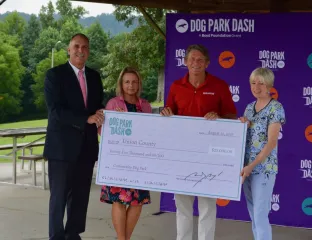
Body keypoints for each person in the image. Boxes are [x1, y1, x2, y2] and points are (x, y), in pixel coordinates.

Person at [160, 44, 237, 240]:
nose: (196, 63)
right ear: (185, 62)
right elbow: (168, 113)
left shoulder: (219, 86)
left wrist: (219, 117)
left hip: (209, 156)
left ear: (207, 63)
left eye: (200, 60)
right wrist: (165, 112)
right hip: (182, 155)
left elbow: (231, 116)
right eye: (192, 59)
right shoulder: (176, 86)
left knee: (207, 206)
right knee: (183, 207)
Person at [43, 33, 105, 240]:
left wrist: (105, 114)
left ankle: (73, 234)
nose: (81, 50)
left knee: (80, 197)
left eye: (85, 47)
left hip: (86, 148)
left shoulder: (95, 77)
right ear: (68, 50)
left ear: (88, 51)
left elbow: (98, 107)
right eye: (76, 46)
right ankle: (56, 235)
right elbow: (55, 112)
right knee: (59, 196)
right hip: (61, 148)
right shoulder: (54, 75)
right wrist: (85, 118)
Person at [99, 67, 152, 240]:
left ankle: (124, 238)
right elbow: (103, 133)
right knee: (119, 200)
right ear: (121, 84)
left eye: (134, 82)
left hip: (139, 162)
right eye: (127, 82)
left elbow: (151, 133)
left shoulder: (145, 106)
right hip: (118, 162)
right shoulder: (113, 104)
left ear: (139, 84)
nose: (131, 85)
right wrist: (117, 120)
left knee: (138, 203)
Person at [239, 67, 286, 240]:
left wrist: (251, 166)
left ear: (269, 86)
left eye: (261, 83)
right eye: (253, 82)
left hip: (263, 168)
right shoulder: (249, 108)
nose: (256, 86)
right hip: (246, 167)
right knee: (253, 213)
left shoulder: (276, 107)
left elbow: (271, 142)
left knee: (260, 213)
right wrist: (241, 125)